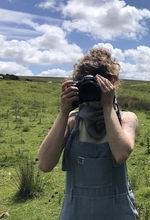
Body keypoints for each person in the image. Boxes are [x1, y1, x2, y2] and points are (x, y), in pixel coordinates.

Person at [38, 47, 139, 219]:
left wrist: (108, 106)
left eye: (99, 85)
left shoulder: (126, 119)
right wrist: (63, 112)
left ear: (112, 83)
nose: (93, 91)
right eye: (88, 85)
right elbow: (45, 164)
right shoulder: (71, 121)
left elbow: (121, 153)